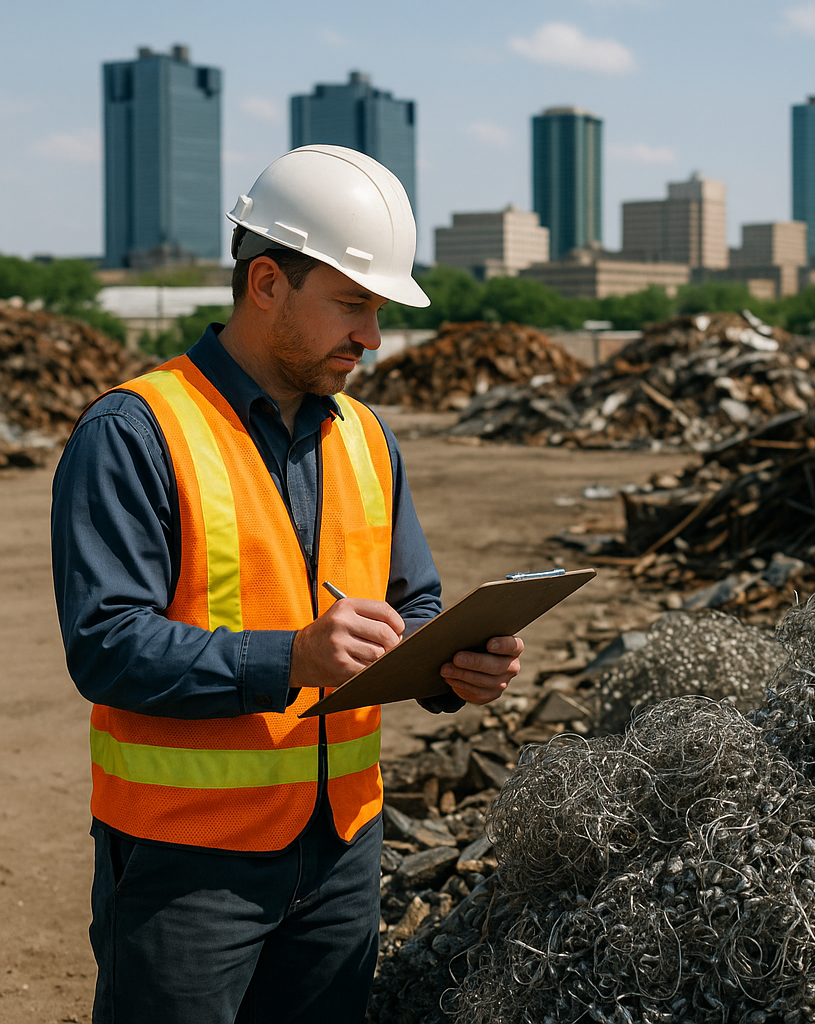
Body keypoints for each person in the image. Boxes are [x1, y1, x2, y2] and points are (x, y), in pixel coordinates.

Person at [50, 145, 525, 1024]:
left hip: (342, 853)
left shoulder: (367, 438)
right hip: (185, 867)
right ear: (265, 282)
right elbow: (105, 645)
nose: (373, 337)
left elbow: (414, 602)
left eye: (377, 309)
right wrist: (294, 655)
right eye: (353, 305)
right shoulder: (136, 431)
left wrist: (452, 665)